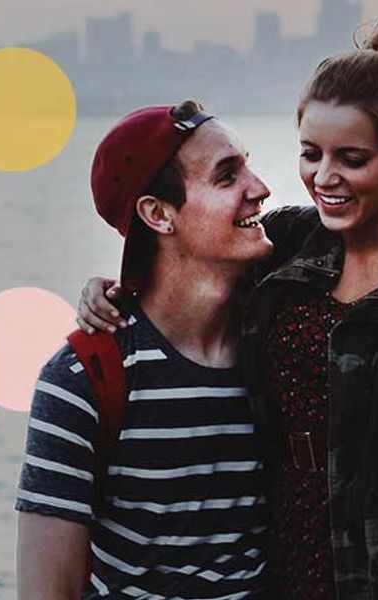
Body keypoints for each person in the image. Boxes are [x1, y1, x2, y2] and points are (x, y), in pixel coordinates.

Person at [76, 12, 378, 600]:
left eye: (352, 158)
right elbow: (188, 254)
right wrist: (110, 289)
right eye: (310, 153)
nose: (325, 177)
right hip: (272, 569)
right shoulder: (289, 242)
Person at [15, 100, 273, 599]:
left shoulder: (280, 341)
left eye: (247, 165)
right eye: (227, 176)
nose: (259, 188)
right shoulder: (84, 379)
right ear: (158, 214)